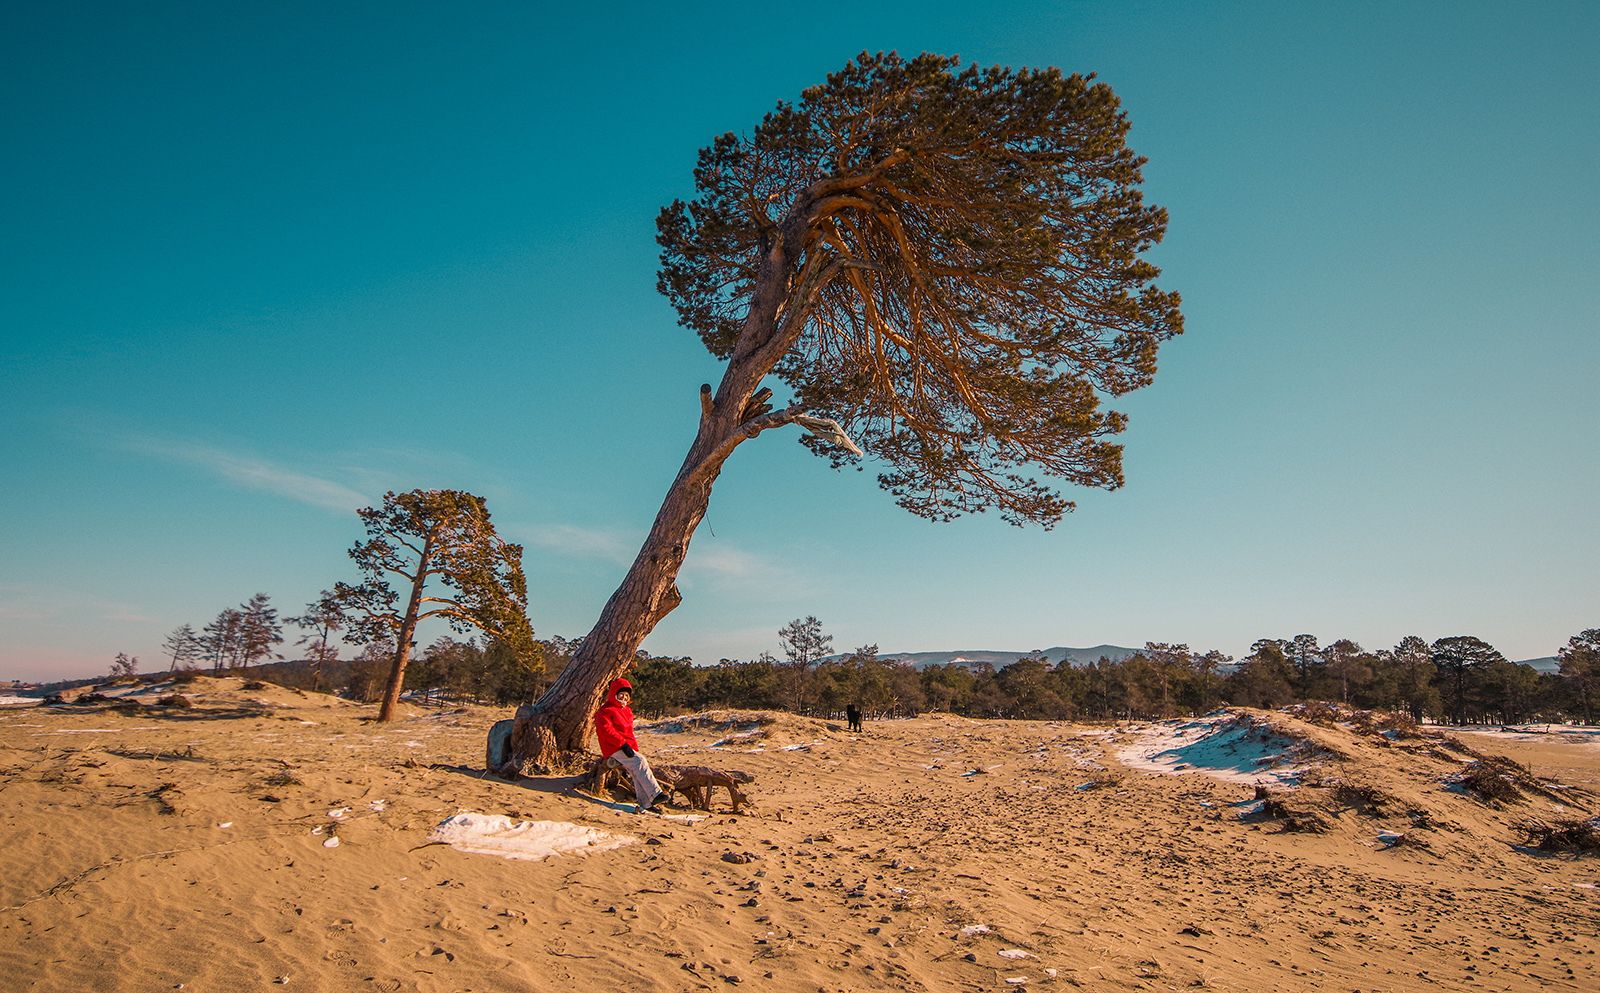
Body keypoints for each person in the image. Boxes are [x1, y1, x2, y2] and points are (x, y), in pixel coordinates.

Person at [594, 677, 669, 813]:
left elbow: (629, 733)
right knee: (639, 761)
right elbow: (607, 731)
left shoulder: (627, 711)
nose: (623, 697)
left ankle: (646, 804)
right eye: (620, 694)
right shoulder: (605, 711)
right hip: (613, 747)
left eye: (626, 695)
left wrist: (634, 749)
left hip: (626, 747)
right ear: (614, 694)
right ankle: (655, 794)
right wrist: (623, 745)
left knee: (637, 767)